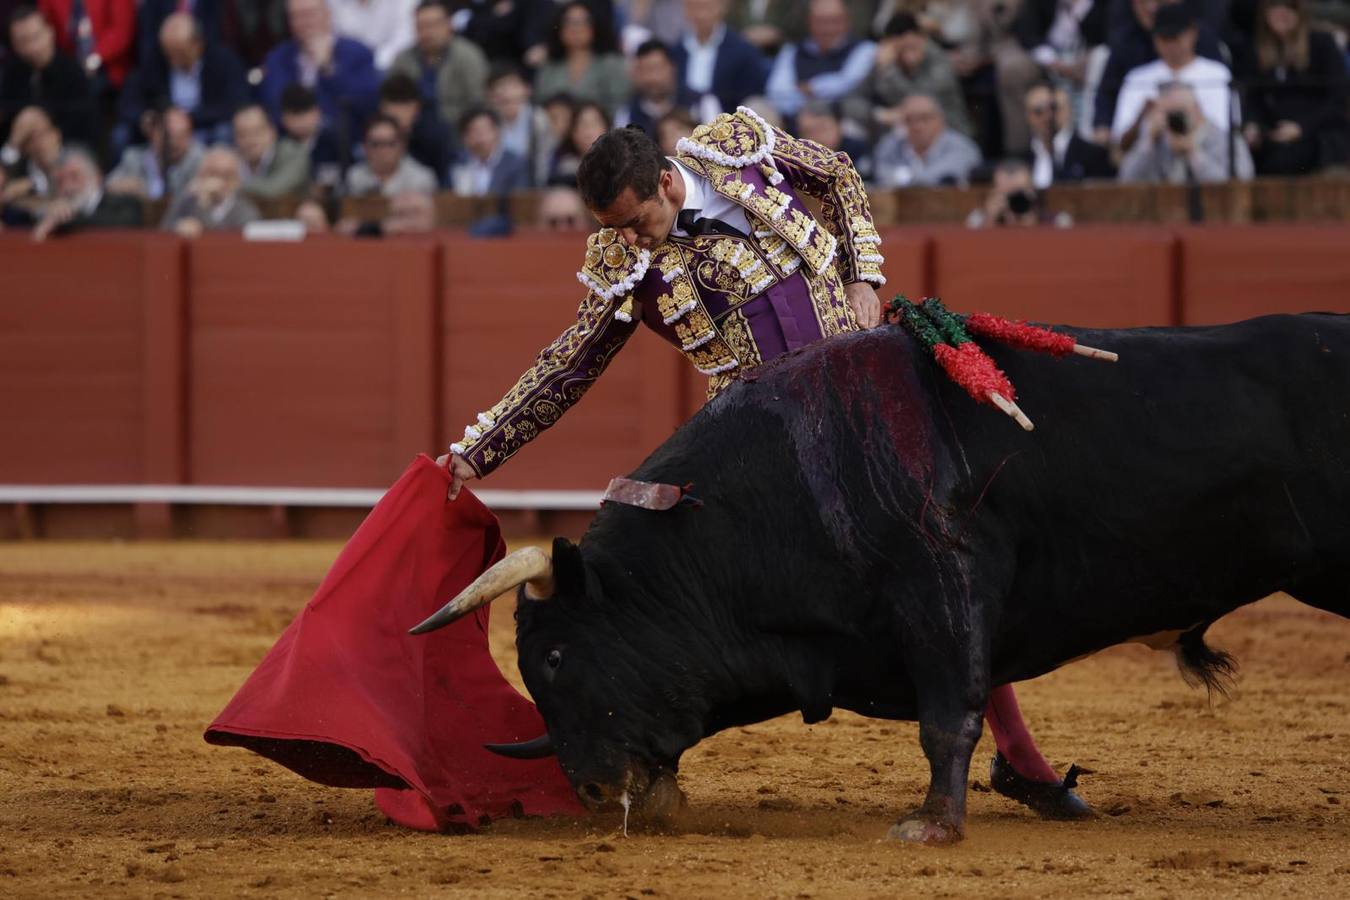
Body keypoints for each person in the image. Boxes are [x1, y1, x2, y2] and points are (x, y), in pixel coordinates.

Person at [439, 114, 1087, 819]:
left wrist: (864, 275)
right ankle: (650, 749)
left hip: (870, 407)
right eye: (612, 228)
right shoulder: (624, 265)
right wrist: (475, 453)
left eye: (635, 220)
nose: (627, 239)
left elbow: (837, 175)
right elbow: (567, 367)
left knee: (941, 572)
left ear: (663, 181)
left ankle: (1016, 757)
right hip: (775, 460)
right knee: (904, 585)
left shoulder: (733, 150)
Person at [1244, 0, 1349, 174]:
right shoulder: (1257, 50)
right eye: (1274, 7)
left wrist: (1301, 127)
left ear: (1300, 13)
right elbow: (1254, 99)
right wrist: (1254, 125)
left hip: (1318, 136)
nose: (1281, 13)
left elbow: (1337, 100)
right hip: (1275, 136)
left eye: (1289, 7)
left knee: (1286, 159)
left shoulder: (1322, 44)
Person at [1111, 2, 1237, 145]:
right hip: (1151, 159)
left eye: (1176, 37)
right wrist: (1145, 117)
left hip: (1205, 157)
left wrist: (1194, 113)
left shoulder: (1217, 75)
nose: (1171, 45)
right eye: (1164, 38)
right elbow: (1118, 142)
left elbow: (1227, 135)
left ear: (1192, 33)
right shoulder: (1136, 78)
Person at [117, 12, 249, 148]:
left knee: (224, 132)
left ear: (198, 44)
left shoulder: (223, 61)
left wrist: (189, 118)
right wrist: (145, 117)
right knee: (122, 135)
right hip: (163, 129)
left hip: (205, 126)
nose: (174, 60)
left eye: (180, 52)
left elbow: (237, 103)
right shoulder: (156, 62)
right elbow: (128, 103)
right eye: (169, 53)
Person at [259, 0, 381, 137]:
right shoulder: (277, 58)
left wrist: (327, 69)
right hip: (291, 140)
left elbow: (366, 105)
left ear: (327, 15)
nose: (305, 22)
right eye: (297, 16)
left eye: (310, 14)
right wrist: (296, 120)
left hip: (344, 142)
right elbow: (273, 102)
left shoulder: (357, 53)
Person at [845, 11, 972, 140]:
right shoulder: (886, 62)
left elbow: (920, 101)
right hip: (902, 137)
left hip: (949, 134)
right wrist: (880, 114)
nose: (909, 56)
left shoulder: (939, 62)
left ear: (922, 39)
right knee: (850, 128)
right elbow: (851, 102)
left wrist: (889, 72)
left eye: (912, 47)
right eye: (901, 49)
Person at [1118, 79, 1254, 182]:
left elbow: (1241, 185)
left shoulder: (1225, 140)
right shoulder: (1157, 140)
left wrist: (1194, 154)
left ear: (1197, 109)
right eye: (1169, 114)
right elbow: (1126, 181)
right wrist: (1147, 142)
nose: (1176, 121)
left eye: (1181, 112)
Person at [0, 5, 96, 148]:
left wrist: (44, 121)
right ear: (14, 45)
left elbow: (84, 123)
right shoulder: (12, 72)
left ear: (50, 32)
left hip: (67, 148)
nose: (32, 47)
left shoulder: (71, 71)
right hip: (23, 148)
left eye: (36, 36)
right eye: (23, 41)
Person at [388, 0, 488, 131]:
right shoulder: (403, 60)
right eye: (421, 26)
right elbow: (391, 103)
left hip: (458, 132)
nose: (428, 32)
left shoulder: (468, 56)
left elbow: (479, 102)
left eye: (434, 25)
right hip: (412, 132)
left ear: (449, 24)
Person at [766, 0, 877, 118]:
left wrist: (811, 88)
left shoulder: (865, 49)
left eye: (834, 21)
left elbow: (848, 84)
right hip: (792, 119)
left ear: (847, 21)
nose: (828, 28)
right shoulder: (792, 51)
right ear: (809, 22)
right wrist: (809, 101)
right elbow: (777, 91)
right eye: (821, 22)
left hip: (842, 120)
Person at [532, 1, 631, 118]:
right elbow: (540, 107)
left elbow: (619, 107)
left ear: (594, 26)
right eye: (569, 22)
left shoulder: (612, 64)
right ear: (559, 28)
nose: (576, 28)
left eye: (583, 21)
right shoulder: (548, 67)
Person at [673, 0, 772, 112]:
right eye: (693, 7)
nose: (700, 14)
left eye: (706, 7)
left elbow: (752, 93)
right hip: (682, 120)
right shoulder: (676, 50)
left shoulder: (743, 50)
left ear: (722, 7)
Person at [31, 146, 143, 240]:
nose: (67, 187)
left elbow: (118, 227)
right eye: (60, 181)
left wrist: (65, 220)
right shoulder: (52, 213)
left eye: (75, 177)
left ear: (96, 177)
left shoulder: (125, 205)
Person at [615, 39, 722, 136]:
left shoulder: (702, 104)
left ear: (672, 68)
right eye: (644, 70)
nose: (652, 78)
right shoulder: (627, 114)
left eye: (657, 68)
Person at [873, 92, 983, 186]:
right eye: (909, 119)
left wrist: (904, 179)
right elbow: (881, 173)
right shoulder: (892, 145)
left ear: (940, 120)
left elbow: (943, 176)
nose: (916, 126)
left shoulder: (961, 147)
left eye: (924, 118)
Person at [106, 105, 206, 200]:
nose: (174, 143)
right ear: (154, 133)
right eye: (169, 136)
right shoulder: (134, 157)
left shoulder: (199, 159)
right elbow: (107, 185)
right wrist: (127, 186)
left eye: (181, 136)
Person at [1023, 81, 1113, 186]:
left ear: (1069, 110)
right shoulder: (1024, 158)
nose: (1047, 116)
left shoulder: (1093, 155)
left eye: (1054, 108)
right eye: (1038, 111)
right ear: (1028, 116)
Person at [160, 144, 261, 236]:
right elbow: (163, 232)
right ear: (200, 175)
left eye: (226, 175)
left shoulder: (245, 209)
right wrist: (177, 229)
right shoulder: (187, 202)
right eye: (212, 173)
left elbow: (220, 241)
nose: (218, 181)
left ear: (236, 181)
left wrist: (203, 205)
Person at [38, 0, 136, 90]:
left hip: (109, 68)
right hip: (67, 65)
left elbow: (122, 32)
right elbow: (46, 27)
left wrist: (94, 59)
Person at [378, 72, 453, 179]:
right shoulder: (374, 132)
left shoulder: (433, 137)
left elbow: (444, 179)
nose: (398, 113)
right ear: (382, 108)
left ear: (416, 108)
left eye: (404, 106)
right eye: (393, 105)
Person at [345, 113, 438, 196]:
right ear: (365, 147)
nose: (383, 150)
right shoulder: (354, 177)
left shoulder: (422, 178)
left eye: (390, 143)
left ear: (402, 146)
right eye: (376, 144)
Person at [233, 103, 312, 200]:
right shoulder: (230, 160)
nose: (250, 140)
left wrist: (233, 186)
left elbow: (275, 189)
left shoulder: (293, 154)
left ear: (272, 131)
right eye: (242, 134)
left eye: (257, 132)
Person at [965, 157, 1073, 227]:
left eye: (1019, 194)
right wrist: (990, 219)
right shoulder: (977, 222)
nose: (1014, 200)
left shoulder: (1058, 222)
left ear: (1032, 191)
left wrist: (1033, 222)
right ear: (995, 192)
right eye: (1007, 194)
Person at [449, 106, 530, 197]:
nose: (481, 138)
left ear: (497, 132)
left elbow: (519, 199)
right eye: (474, 131)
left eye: (484, 130)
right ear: (464, 137)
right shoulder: (457, 162)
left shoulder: (516, 163)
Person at [328, 0, 417, 70]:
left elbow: (404, 40)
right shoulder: (332, 3)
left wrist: (368, 63)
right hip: (346, 67)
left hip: (388, 67)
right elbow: (331, 38)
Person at [545, 100, 609, 187]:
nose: (589, 132)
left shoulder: (618, 164)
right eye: (583, 125)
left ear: (607, 128)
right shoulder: (564, 166)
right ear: (573, 133)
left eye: (594, 124)